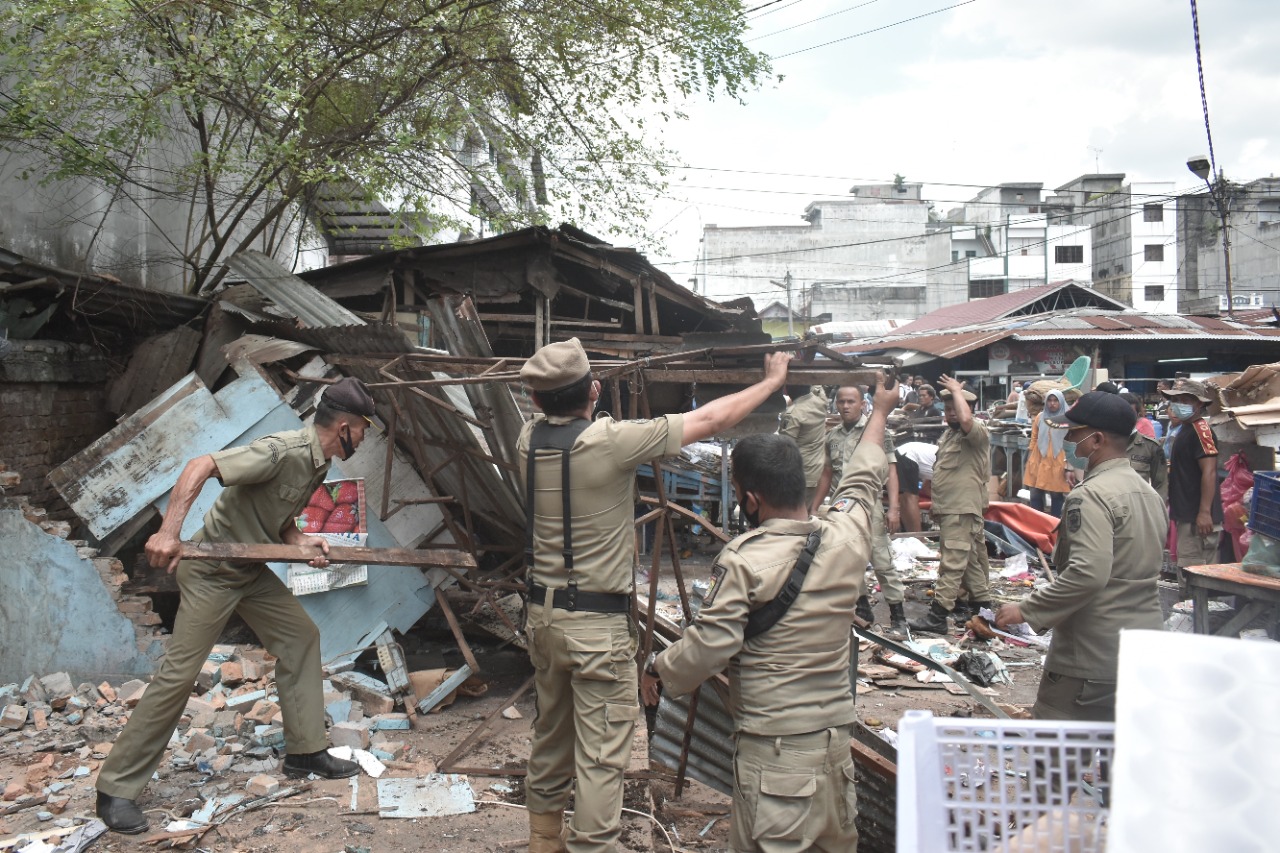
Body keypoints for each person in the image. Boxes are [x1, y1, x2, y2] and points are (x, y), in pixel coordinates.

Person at [518, 339, 790, 853]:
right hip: (597, 630)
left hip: (543, 619)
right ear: (594, 390)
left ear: (535, 400)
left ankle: (544, 840)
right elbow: (711, 419)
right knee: (601, 753)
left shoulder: (527, 440)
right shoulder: (610, 442)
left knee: (551, 733)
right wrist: (772, 382)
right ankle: (591, 847)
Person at [95, 378, 377, 834]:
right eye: (364, 428)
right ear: (345, 427)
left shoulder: (318, 464)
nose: (364, 437)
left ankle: (306, 751)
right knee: (179, 675)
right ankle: (115, 789)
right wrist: (168, 532)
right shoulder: (282, 451)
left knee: (301, 637)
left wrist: (300, 541)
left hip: (247, 572)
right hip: (211, 572)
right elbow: (200, 465)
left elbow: (277, 518)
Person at [641, 374, 900, 853]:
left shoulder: (745, 560)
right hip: (836, 754)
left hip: (776, 763)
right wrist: (880, 410)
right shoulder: (847, 535)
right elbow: (864, 476)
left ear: (751, 499)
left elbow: (710, 647)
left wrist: (658, 668)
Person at [995, 391, 1165, 723]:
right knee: (1120, 749)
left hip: (1091, 654)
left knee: (1054, 748)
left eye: (1074, 434)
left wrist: (1027, 609)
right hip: (1143, 649)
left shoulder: (1090, 497)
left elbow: (1088, 573)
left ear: (1097, 440)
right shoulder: (1148, 493)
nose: (1069, 441)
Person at [813, 385, 907, 633]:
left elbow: (892, 471)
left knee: (881, 560)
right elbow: (826, 474)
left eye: (851, 401)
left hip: (869, 506)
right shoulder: (832, 436)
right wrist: (813, 508)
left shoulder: (876, 432)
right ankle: (863, 608)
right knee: (847, 560)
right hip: (840, 509)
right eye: (841, 401)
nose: (845, 406)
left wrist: (894, 508)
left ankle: (898, 617)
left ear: (863, 404)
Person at [910, 375, 992, 634]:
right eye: (947, 409)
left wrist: (957, 391)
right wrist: (937, 507)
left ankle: (938, 616)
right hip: (952, 508)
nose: (951, 413)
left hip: (961, 509)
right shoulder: (948, 436)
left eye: (955, 408)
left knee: (952, 563)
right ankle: (983, 610)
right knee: (971, 563)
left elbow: (966, 420)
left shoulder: (976, 432)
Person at [1161, 378, 1222, 569]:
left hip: (1197, 520)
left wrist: (1204, 512)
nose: (1179, 405)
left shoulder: (1201, 431)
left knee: (1195, 573)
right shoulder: (1185, 429)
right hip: (1187, 515)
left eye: (1185, 400)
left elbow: (1209, 471)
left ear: (1199, 404)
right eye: (1175, 400)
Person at [779, 384, 830, 510]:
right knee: (806, 511)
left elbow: (784, 448)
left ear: (786, 390)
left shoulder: (793, 413)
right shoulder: (821, 402)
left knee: (793, 513)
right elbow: (818, 386)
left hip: (801, 474)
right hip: (817, 471)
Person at [1023, 390, 1071, 517]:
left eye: (1055, 401)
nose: (1052, 403)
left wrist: (1069, 465)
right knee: (1035, 493)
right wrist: (1029, 460)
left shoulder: (1067, 419)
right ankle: (1038, 521)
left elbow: (1072, 441)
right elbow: (1034, 438)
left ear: (1061, 402)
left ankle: (1054, 523)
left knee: (1056, 493)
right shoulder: (1040, 417)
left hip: (1058, 459)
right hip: (1038, 458)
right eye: (1049, 400)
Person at [894, 440, 937, 533]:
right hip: (908, 454)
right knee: (909, 497)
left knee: (906, 499)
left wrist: (936, 501)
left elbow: (925, 488)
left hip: (907, 452)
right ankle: (917, 537)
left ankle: (912, 535)